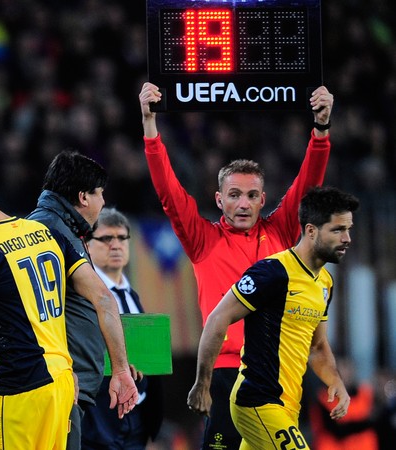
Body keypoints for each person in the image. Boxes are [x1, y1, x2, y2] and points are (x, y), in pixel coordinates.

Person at [139, 81, 334, 449]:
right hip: (227, 374)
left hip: (278, 374)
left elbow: (309, 184)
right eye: (233, 195)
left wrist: (321, 131)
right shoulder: (203, 241)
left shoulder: (279, 231)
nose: (242, 204)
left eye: (250, 196)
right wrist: (150, 125)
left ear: (263, 200)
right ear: (219, 199)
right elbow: (168, 192)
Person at [0, 168, 138, 450]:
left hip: (18, 392)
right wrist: (121, 370)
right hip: (62, 384)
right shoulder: (44, 232)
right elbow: (104, 299)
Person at [187, 186, 359, 449]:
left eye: (348, 229)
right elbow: (217, 319)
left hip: (288, 408)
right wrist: (203, 383)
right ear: (311, 231)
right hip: (257, 401)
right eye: (337, 230)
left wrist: (336, 381)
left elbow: (317, 346)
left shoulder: (324, 282)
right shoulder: (273, 272)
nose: (347, 238)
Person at [26, 150, 128, 449]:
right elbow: (34, 312)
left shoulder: (61, 229)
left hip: (67, 385)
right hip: (59, 386)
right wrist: (60, 373)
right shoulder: (48, 231)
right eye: (100, 194)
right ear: (83, 197)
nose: (104, 202)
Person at [81, 207, 164, 449]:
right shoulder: (80, 296)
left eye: (122, 238)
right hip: (98, 420)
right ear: (87, 245)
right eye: (106, 238)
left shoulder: (133, 296)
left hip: (136, 421)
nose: (115, 245)